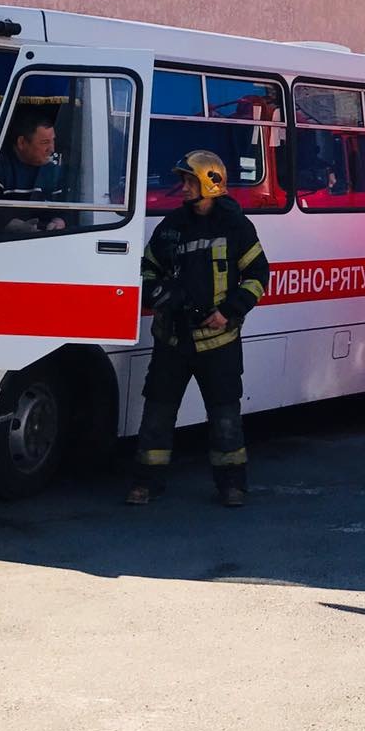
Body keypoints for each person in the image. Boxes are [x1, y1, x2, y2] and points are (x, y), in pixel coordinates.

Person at [127, 150, 269, 507]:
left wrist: (228, 312)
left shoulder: (236, 226)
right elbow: (147, 268)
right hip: (172, 340)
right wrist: (158, 293)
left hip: (218, 342)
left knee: (225, 419)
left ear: (210, 183)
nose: (184, 187)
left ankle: (232, 486)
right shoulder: (171, 225)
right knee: (157, 416)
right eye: (184, 180)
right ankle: (146, 483)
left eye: (190, 181)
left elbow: (258, 275)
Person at [0, 110, 66, 233]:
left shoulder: (52, 170)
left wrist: (57, 223)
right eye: (45, 142)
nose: (52, 149)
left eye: (53, 141)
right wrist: (17, 227)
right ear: (22, 143)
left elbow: (63, 210)